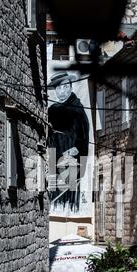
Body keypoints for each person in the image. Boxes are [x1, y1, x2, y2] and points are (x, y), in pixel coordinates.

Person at [48, 71, 89, 213]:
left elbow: (84, 136)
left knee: (68, 193)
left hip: (70, 160)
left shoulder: (77, 108)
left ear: (71, 88)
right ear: (55, 91)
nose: (62, 91)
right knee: (55, 194)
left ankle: (69, 212)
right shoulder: (52, 111)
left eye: (65, 87)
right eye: (58, 88)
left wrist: (74, 150)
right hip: (54, 159)